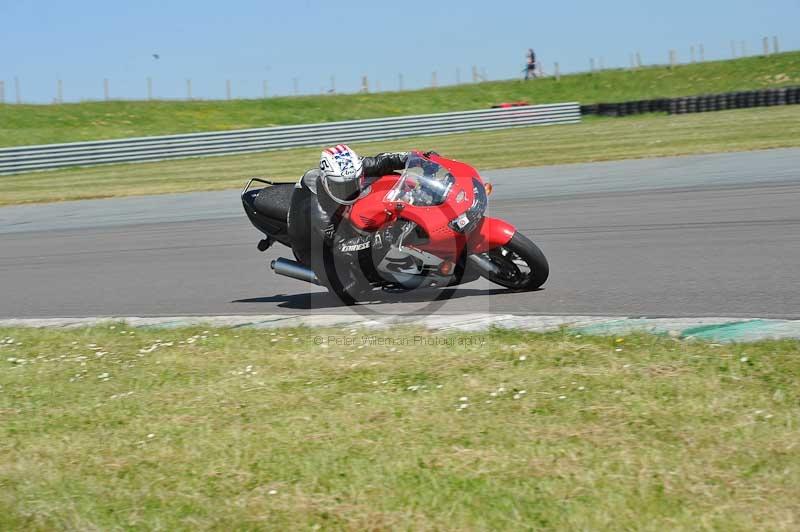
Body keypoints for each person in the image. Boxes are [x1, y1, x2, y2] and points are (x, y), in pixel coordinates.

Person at [300, 145, 412, 301]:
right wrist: (377, 239)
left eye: (352, 184)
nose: (348, 192)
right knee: (352, 290)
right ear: (327, 182)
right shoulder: (318, 211)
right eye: (340, 187)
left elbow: (381, 161)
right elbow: (341, 247)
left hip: (340, 222)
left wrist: (413, 158)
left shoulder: (351, 168)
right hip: (315, 241)